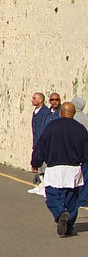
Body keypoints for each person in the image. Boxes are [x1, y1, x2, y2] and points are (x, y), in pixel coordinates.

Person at [32, 101, 88, 236]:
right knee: (72, 198)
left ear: (61, 112)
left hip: (54, 168)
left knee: (52, 195)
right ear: (73, 114)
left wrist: (36, 161)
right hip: (74, 168)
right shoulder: (81, 129)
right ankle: (68, 226)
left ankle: (60, 213)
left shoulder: (51, 127)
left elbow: (41, 146)